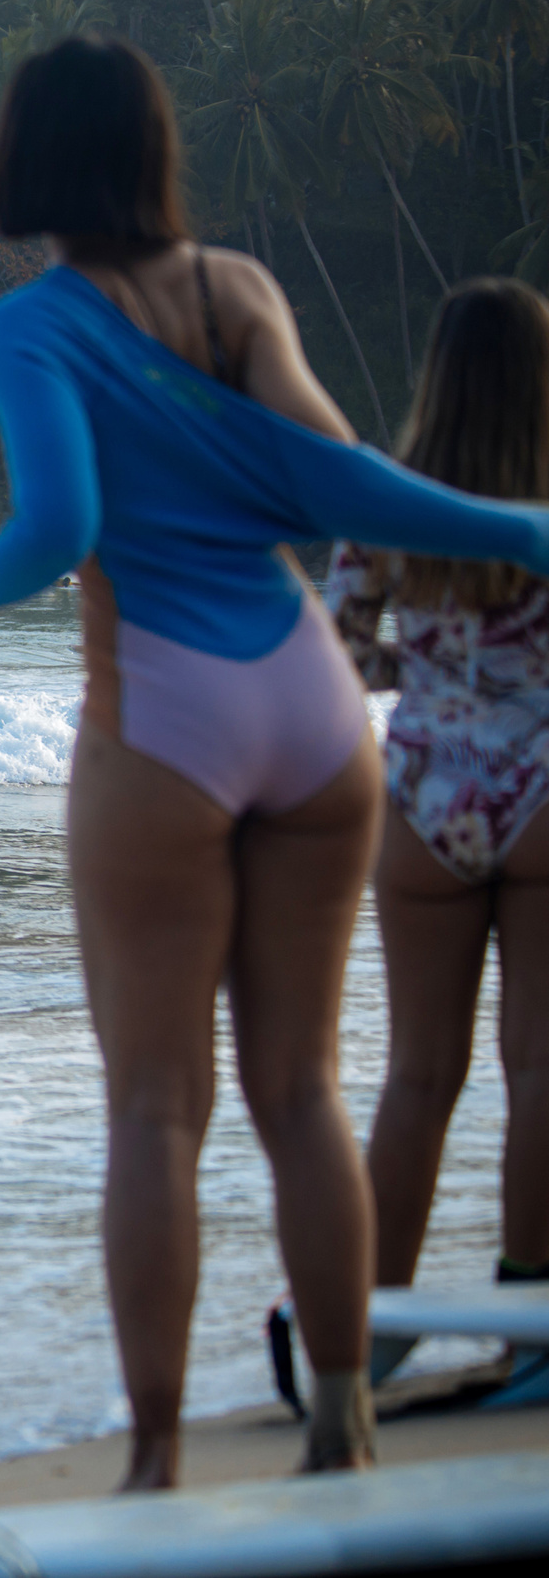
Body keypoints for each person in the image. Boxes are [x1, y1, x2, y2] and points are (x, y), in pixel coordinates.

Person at [0, 35, 549, 1489]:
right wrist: (517, 528)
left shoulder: (32, 326)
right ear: (154, 151)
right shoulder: (240, 290)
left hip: (167, 720)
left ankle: (154, 1457)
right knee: (304, 1091)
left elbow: (61, 525)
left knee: (156, 1105)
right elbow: (335, 485)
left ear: (27, 160)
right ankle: (343, 1418)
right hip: (314, 714)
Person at [322, 281, 549, 1318]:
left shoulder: (385, 497)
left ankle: (371, 1326)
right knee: (536, 1068)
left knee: (418, 1075)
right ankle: (529, 1320)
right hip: (542, 790)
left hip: (421, 799)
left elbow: (342, 658)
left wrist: (429, 671)